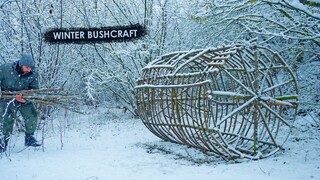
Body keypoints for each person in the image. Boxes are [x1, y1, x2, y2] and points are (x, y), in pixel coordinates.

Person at [0, 55, 41, 153]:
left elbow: (34, 90)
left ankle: (29, 138)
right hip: (7, 97)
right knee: (7, 119)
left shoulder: (33, 74)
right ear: (21, 65)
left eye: (31, 67)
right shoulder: (5, 69)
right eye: (27, 67)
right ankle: (3, 142)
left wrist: (25, 100)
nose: (29, 69)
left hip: (24, 98)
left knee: (32, 116)